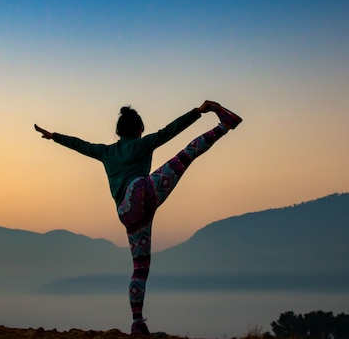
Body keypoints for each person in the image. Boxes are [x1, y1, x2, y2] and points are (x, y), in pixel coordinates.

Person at [34, 100, 242, 335]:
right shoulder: (143, 144)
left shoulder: (106, 152)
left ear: (118, 132)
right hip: (143, 193)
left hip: (128, 214)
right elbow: (170, 131)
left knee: (140, 269)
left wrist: (54, 136)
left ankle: (137, 323)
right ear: (138, 129)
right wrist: (197, 112)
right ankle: (224, 126)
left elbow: (81, 145)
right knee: (185, 157)